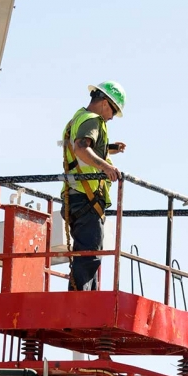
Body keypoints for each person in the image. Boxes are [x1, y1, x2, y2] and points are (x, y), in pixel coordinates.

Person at [62, 81, 126, 291]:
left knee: (89, 253)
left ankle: (85, 298)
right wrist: (105, 166)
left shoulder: (78, 118)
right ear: (106, 104)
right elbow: (81, 148)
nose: (110, 118)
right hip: (86, 198)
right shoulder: (93, 120)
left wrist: (109, 149)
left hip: (75, 197)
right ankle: (80, 302)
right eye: (113, 112)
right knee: (89, 254)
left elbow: (81, 148)